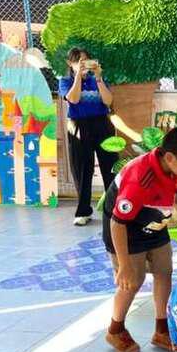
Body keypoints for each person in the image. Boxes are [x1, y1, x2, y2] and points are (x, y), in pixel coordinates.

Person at [103, 127, 177, 352]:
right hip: (126, 230)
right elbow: (117, 223)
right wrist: (124, 264)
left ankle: (161, 331)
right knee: (132, 281)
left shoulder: (172, 169)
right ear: (169, 157)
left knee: (164, 272)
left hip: (155, 223)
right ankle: (115, 330)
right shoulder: (140, 178)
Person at [58, 47, 116, 226]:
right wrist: (78, 77)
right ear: (70, 63)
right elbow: (73, 99)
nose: (83, 64)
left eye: (85, 60)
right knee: (82, 169)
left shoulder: (97, 79)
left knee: (110, 166)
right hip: (78, 125)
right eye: (78, 61)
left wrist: (98, 77)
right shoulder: (65, 81)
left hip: (102, 123)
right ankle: (83, 211)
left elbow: (108, 101)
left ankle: (114, 209)